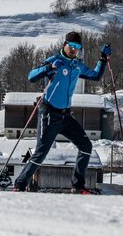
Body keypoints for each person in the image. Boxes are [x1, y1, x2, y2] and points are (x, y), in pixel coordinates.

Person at [12, 31, 112, 194]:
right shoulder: (55, 60)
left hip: (65, 116)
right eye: (71, 45)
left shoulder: (77, 65)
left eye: (77, 47)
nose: (73, 49)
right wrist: (48, 67)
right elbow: (31, 77)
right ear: (64, 45)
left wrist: (102, 59)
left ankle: (77, 186)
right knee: (41, 152)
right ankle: (19, 185)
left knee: (86, 146)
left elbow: (95, 76)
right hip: (49, 113)